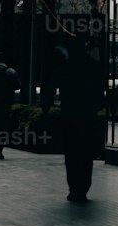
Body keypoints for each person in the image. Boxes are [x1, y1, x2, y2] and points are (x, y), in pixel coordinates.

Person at [43, 42, 106, 203]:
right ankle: (83, 187)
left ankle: (74, 188)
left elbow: (50, 88)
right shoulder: (94, 67)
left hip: (69, 115)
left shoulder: (64, 67)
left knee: (71, 154)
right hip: (88, 116)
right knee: (86, 153)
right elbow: (101, 91)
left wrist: (47, 108)